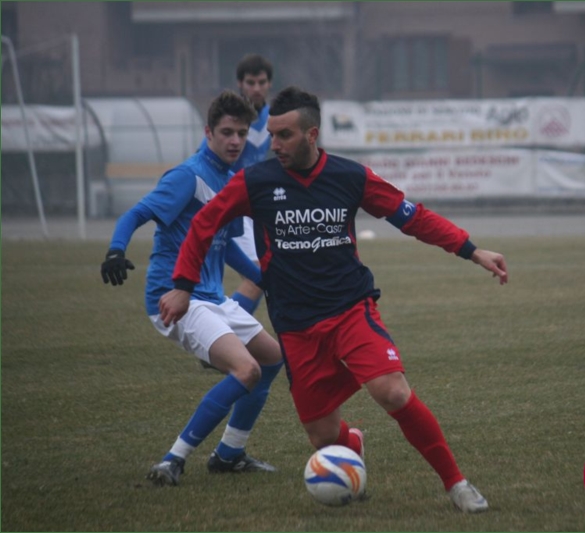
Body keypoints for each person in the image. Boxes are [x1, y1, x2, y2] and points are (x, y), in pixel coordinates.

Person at [159, 87, 508, 512]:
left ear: (312, 135)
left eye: (284, 135)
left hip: (350, 309)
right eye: (272, 135)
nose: (274, 144)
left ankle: (457, 484)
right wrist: (183, 284)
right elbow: (203, 224)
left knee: (393, 392)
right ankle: (352, 443)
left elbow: (411, 217)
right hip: (295, 326)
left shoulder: (349, 176)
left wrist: (472, 250)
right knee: (324, 437)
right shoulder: (255, 182)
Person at [100, 90, 284, 487]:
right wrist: (116, 250)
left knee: (271, 359)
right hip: (175, 297)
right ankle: (172, 460)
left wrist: (263, 278)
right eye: (227, 132)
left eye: (242, 133)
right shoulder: (189, 175)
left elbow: (226, 245)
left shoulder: (232, 180)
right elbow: (136, 213)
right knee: (247, 369)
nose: (235, 141)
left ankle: (229, 454)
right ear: (208, 132)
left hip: (213, 297)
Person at [199, 54, 274, 316]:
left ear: (269, 84)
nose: (256, 88)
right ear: (240, 83)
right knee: (257, 277)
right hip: (231, 205)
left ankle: (225, 331)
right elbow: (203, 159)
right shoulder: (230, 120)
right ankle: (223, 331)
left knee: (262, 276)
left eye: (261, 82)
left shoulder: (270, 117)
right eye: (251, 82)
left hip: (252, 206)